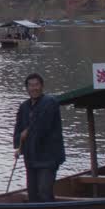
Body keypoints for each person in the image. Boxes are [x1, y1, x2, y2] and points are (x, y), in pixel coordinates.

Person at [13, 73, 65, 202]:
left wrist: (27, 133)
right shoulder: (24, 107)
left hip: (48, 157)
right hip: (30, 157)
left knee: (44, 191)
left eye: (36, 85)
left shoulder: (50, 102)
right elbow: (18, 130)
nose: (33, 88)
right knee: (32, 194)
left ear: (42, 86)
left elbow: (43, 127)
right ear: (27, 88)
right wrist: (18, 144)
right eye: (30, 85)